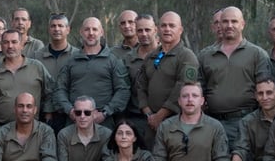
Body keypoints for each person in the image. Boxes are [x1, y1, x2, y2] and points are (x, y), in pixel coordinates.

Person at [197, 6, 272, 153]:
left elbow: (266, 91)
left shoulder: (257, 54)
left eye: (234, 21)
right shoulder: (205, 55)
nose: (229, 25)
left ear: (242, 24)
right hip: (212, 122)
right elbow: (198, 88)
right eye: (225, 21)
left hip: (246, 122)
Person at [136, 11, 200, 149]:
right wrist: (148, 114)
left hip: (176, 122)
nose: (167, 29)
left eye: (172, 26)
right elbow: (141, 85)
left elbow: (184, 87)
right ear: (158, 29)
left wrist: (160, 115)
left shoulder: (187, 57)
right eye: (163, 25)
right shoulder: (151, 56)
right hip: (150, 123)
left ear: (180, 29)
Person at [52, 17, 131, 127]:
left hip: (104, 123)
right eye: (87, 29)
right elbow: (59, 89)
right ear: (81, 32)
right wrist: (70, 111)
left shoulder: (113, 61)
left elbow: (123, 90)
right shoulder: (71, 62)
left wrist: (105, 113)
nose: (91, 33)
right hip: (74, 123)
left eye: (94, 29)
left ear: (101, 32)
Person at [0, 29, 52, 139]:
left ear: (22, 45)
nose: (10, 46)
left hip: (33, 131)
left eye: (14, 42)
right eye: (6, 42)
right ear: (1, 45)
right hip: (1, 131)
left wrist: (48, 119)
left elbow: (50, 93)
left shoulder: (37, 67)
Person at [32, 13, 77, 132]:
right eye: (53, 26)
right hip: (44, 114)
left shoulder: (77, 56)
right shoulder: (36, 57)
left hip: (71, 114)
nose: (57, 29)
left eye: (61, 26)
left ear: (68, 29)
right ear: (49, 29)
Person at [121, 14, 159, 143]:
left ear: (155, 30)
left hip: (162, 118)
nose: (143, 34)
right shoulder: (127, 58)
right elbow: (124, 89)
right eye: (140, 30)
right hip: (135, 118)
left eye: (147, 30)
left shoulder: (166, 56)